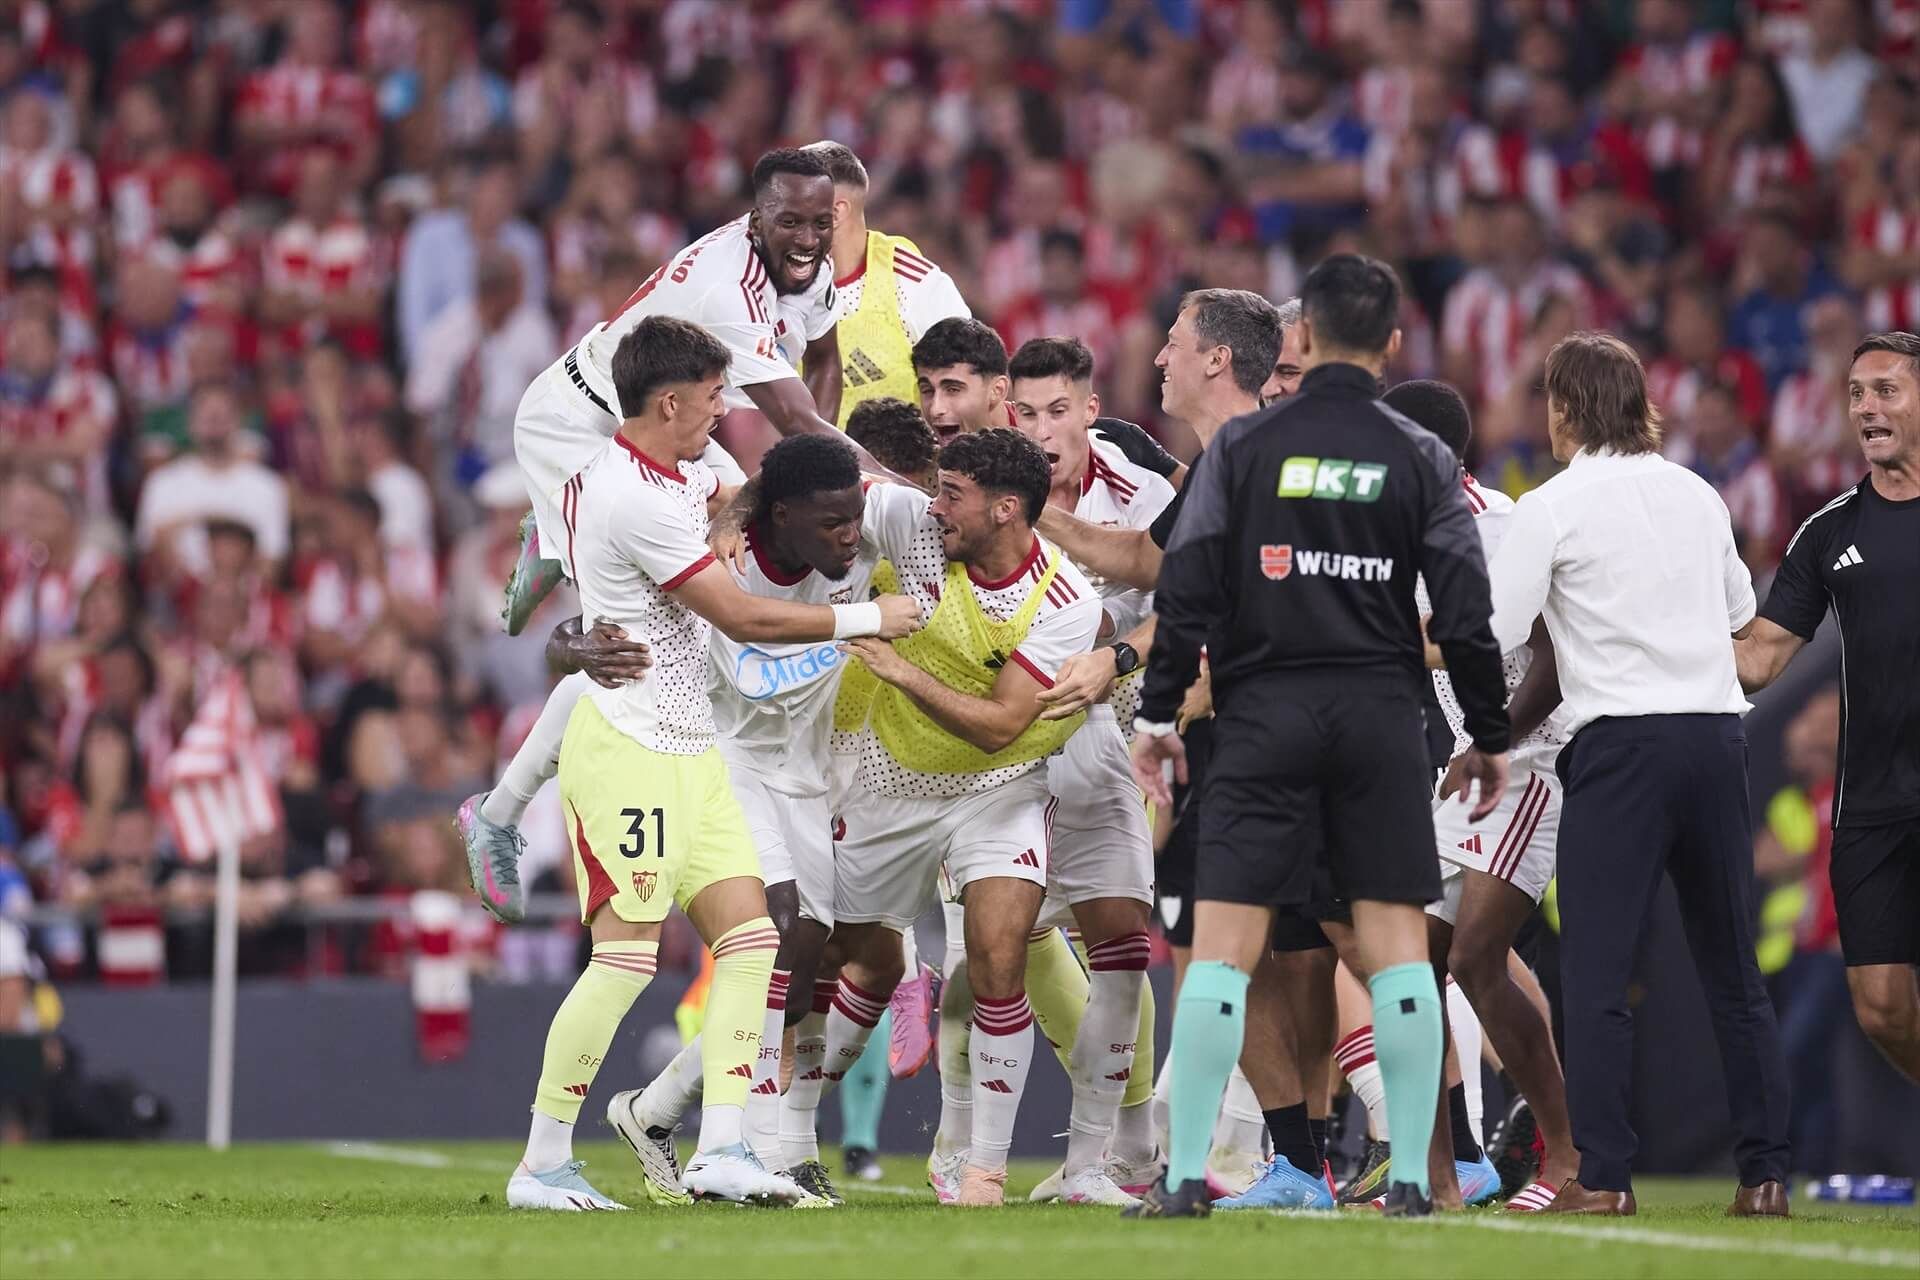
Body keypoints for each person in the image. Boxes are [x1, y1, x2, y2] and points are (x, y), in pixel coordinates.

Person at [503, 316, 918, 1213]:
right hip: (630, 745)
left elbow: (750, 487)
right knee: (623, 961)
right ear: (669, 400)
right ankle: (540, 1161)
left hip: (695, 750)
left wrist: (731, 509)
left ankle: (721, 1148)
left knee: (755, 942)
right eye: (714, 396)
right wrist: (867, 620)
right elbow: (744, 619)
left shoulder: (679, 472)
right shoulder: (630, 496)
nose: (725, 410)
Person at [1126, 255, 1510, 1220]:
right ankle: (1420, 1181)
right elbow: (1465, 611)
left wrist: (1159, 713)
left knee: (1222, 950)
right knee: (1391, 952)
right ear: (1388, 344)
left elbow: (1190, 589)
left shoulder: (1245, 449)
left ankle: (1181, 1183)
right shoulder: (1419, 454)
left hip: (1264, 716)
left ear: (1299, 340)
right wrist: (1489, 731)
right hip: (1380, 718)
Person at [460, 147, 856, 918]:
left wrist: (796, 484)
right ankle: (498, 814)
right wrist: (873, 495)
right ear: (755, 218)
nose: (807, 237)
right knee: (628, 655)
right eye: (790, 221)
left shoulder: (808, 269)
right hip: (579, 429)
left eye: (819, 221)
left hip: (661, 427)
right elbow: (798, 422)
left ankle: (554, 533)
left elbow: (825, 367)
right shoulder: (730, 289)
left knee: (745, 503)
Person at [1484, 331, 1792, 1217]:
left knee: (1596, 975)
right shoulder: (1696, 493)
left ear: (1567, 406)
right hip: (1714, 741)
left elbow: (1498, 629)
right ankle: (1765, 1177)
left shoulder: (1551, 505)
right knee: (1732, 968)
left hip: (1619, 748)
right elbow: (1740, 618)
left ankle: (1606, 1178)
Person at [599, 428, 935, 1207]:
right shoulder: (723, 564)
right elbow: (756, 629)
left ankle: (657, 1112)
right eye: (830, 524)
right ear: (778, 518)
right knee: (780, 927)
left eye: (854, 518)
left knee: (812, 954)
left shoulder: (858, 519)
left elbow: (939, 512)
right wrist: (871, 618)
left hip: (808, 773)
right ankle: (750, 1146)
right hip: (724, 762)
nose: (850, 535)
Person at [832, 428, 1104, 1207]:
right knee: (838, 958)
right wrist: (730, 513)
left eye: (954, 493)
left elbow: (999, 726)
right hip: (892, 781)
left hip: (1000, 785)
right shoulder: (915, 523)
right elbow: (822, 471)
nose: (937, 505)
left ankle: (982, 1165)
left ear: (1006, 508)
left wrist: (895, 667)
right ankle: (779, 1139)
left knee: (996, 955)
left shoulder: (1064, 602)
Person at [1391, 377, 1578, 1212]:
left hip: (1526, 764)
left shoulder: (1503, 529)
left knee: (1473, 957)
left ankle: (1567, 1157)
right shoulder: (1400, 542)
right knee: (1409, 967)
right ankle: (1432, 1180)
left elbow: (1553, 653)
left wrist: (1493, 737)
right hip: (1458, 774)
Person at [1733, 330, 1920, 1088]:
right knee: (1879, 1004)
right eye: (1856, 394)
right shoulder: (1829, 531)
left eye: (1886, 390)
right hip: (1871, 802)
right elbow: (1762, 657)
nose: (1866, 407)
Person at [802, 142, 970, 426]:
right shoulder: (773, 289)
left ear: (835, 213)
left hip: (912, 467)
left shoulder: (913, 283)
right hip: (822, 467)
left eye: (792, 208)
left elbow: (969, 387)